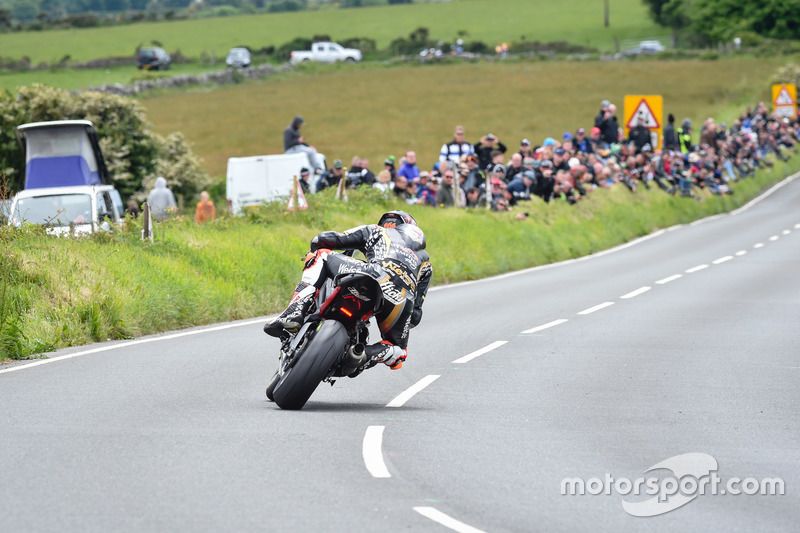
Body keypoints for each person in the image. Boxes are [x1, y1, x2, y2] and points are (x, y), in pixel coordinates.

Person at [264, 210, 433, 370]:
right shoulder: (425, 262)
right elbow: (415, 317)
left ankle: (295, 312)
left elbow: (325, 238)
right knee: (399, 351)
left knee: (322, 254)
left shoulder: (376, 230)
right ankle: (363, 355)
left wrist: (313, 249)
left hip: (371, 272)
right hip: (401, 299)